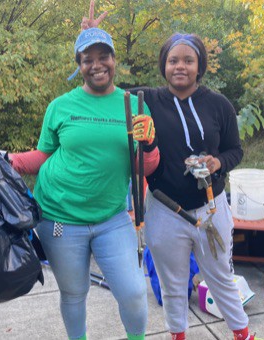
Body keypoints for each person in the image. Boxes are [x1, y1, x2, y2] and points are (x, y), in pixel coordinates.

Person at [82, 3, 263, 340]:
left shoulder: (219, 104)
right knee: (172, 283)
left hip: (212, 208)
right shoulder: (145, 99)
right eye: (173, 60)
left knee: (221, 277)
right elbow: (102, 84)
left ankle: (243, 335)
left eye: (188, 60)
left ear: (199, 66)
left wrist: (218, 162)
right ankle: (177, 335)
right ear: (164, 65)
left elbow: (235, 150)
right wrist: (91, 45)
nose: (180, 66)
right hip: (165, 209)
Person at [9, 25, 160, 340]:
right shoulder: (60, 106)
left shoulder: (134, 105)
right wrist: (5, 160)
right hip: (59, 218)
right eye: (87, 59)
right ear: (78, 66)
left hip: (112, 217)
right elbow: (43, 156)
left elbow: (144, 167)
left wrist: (150, 144)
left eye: (103, 56)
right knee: (74, 293)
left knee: (133, 292)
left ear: (114, 60)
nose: (96, 65)